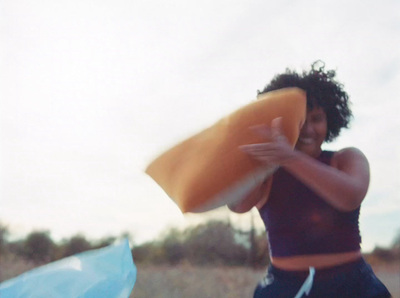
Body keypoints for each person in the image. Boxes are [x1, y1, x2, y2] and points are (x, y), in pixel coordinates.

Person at [229, 61, 391, 297]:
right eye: (299, 120)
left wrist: (289, 157)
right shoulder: (267, 170)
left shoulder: (346, 159)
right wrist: (268, 163)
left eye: (316, 119)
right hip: (283, 285)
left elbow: (350, 196)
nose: (307, 129)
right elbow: (237, 205)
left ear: (330, 121)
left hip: (353, 284)